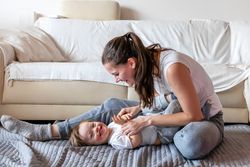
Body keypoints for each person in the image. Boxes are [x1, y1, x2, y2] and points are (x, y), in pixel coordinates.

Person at [0, 32, 224, 160]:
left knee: (192, 144)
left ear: (131, 63)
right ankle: (48, 130)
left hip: (204, 119)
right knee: (113, 105)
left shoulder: (171, 67)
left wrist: (145, 120)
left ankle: (169, 136)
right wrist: (138, 109)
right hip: (171, 113)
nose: (117, 79)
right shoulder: (147, 66)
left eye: (117, 73)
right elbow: (164, 100)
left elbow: (193, 115)